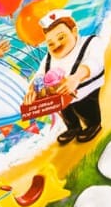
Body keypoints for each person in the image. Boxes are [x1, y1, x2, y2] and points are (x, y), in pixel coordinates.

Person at [24, 9, 105, 145]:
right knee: (64, 110)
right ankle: (73, 127)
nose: (57, 45)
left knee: (83, 107)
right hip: (60, 95)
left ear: (74, 31)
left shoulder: (91, 42)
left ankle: (93, 124)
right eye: (50, 43)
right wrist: (32, 90)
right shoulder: (49, 57)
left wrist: (76, 78)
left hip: (84, 90)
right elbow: (40, 74)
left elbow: (94, 62)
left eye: (61, 37)